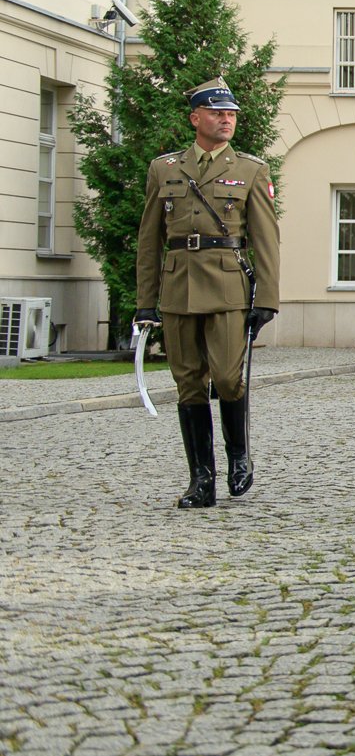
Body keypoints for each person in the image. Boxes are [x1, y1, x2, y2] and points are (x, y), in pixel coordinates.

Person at [133, 77, 281, 509]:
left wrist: (266, 300)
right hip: (179, 289)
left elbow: (265, 239)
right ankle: (201, 479)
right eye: (218, 113)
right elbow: (149, 240)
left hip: (227, 287)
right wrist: (147, 301)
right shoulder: (165, 169)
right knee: (189, 385)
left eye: (231, 114)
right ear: (195, 118)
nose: (226, 120)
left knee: (229, 378)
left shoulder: (250, 170)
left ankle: (239, 455)